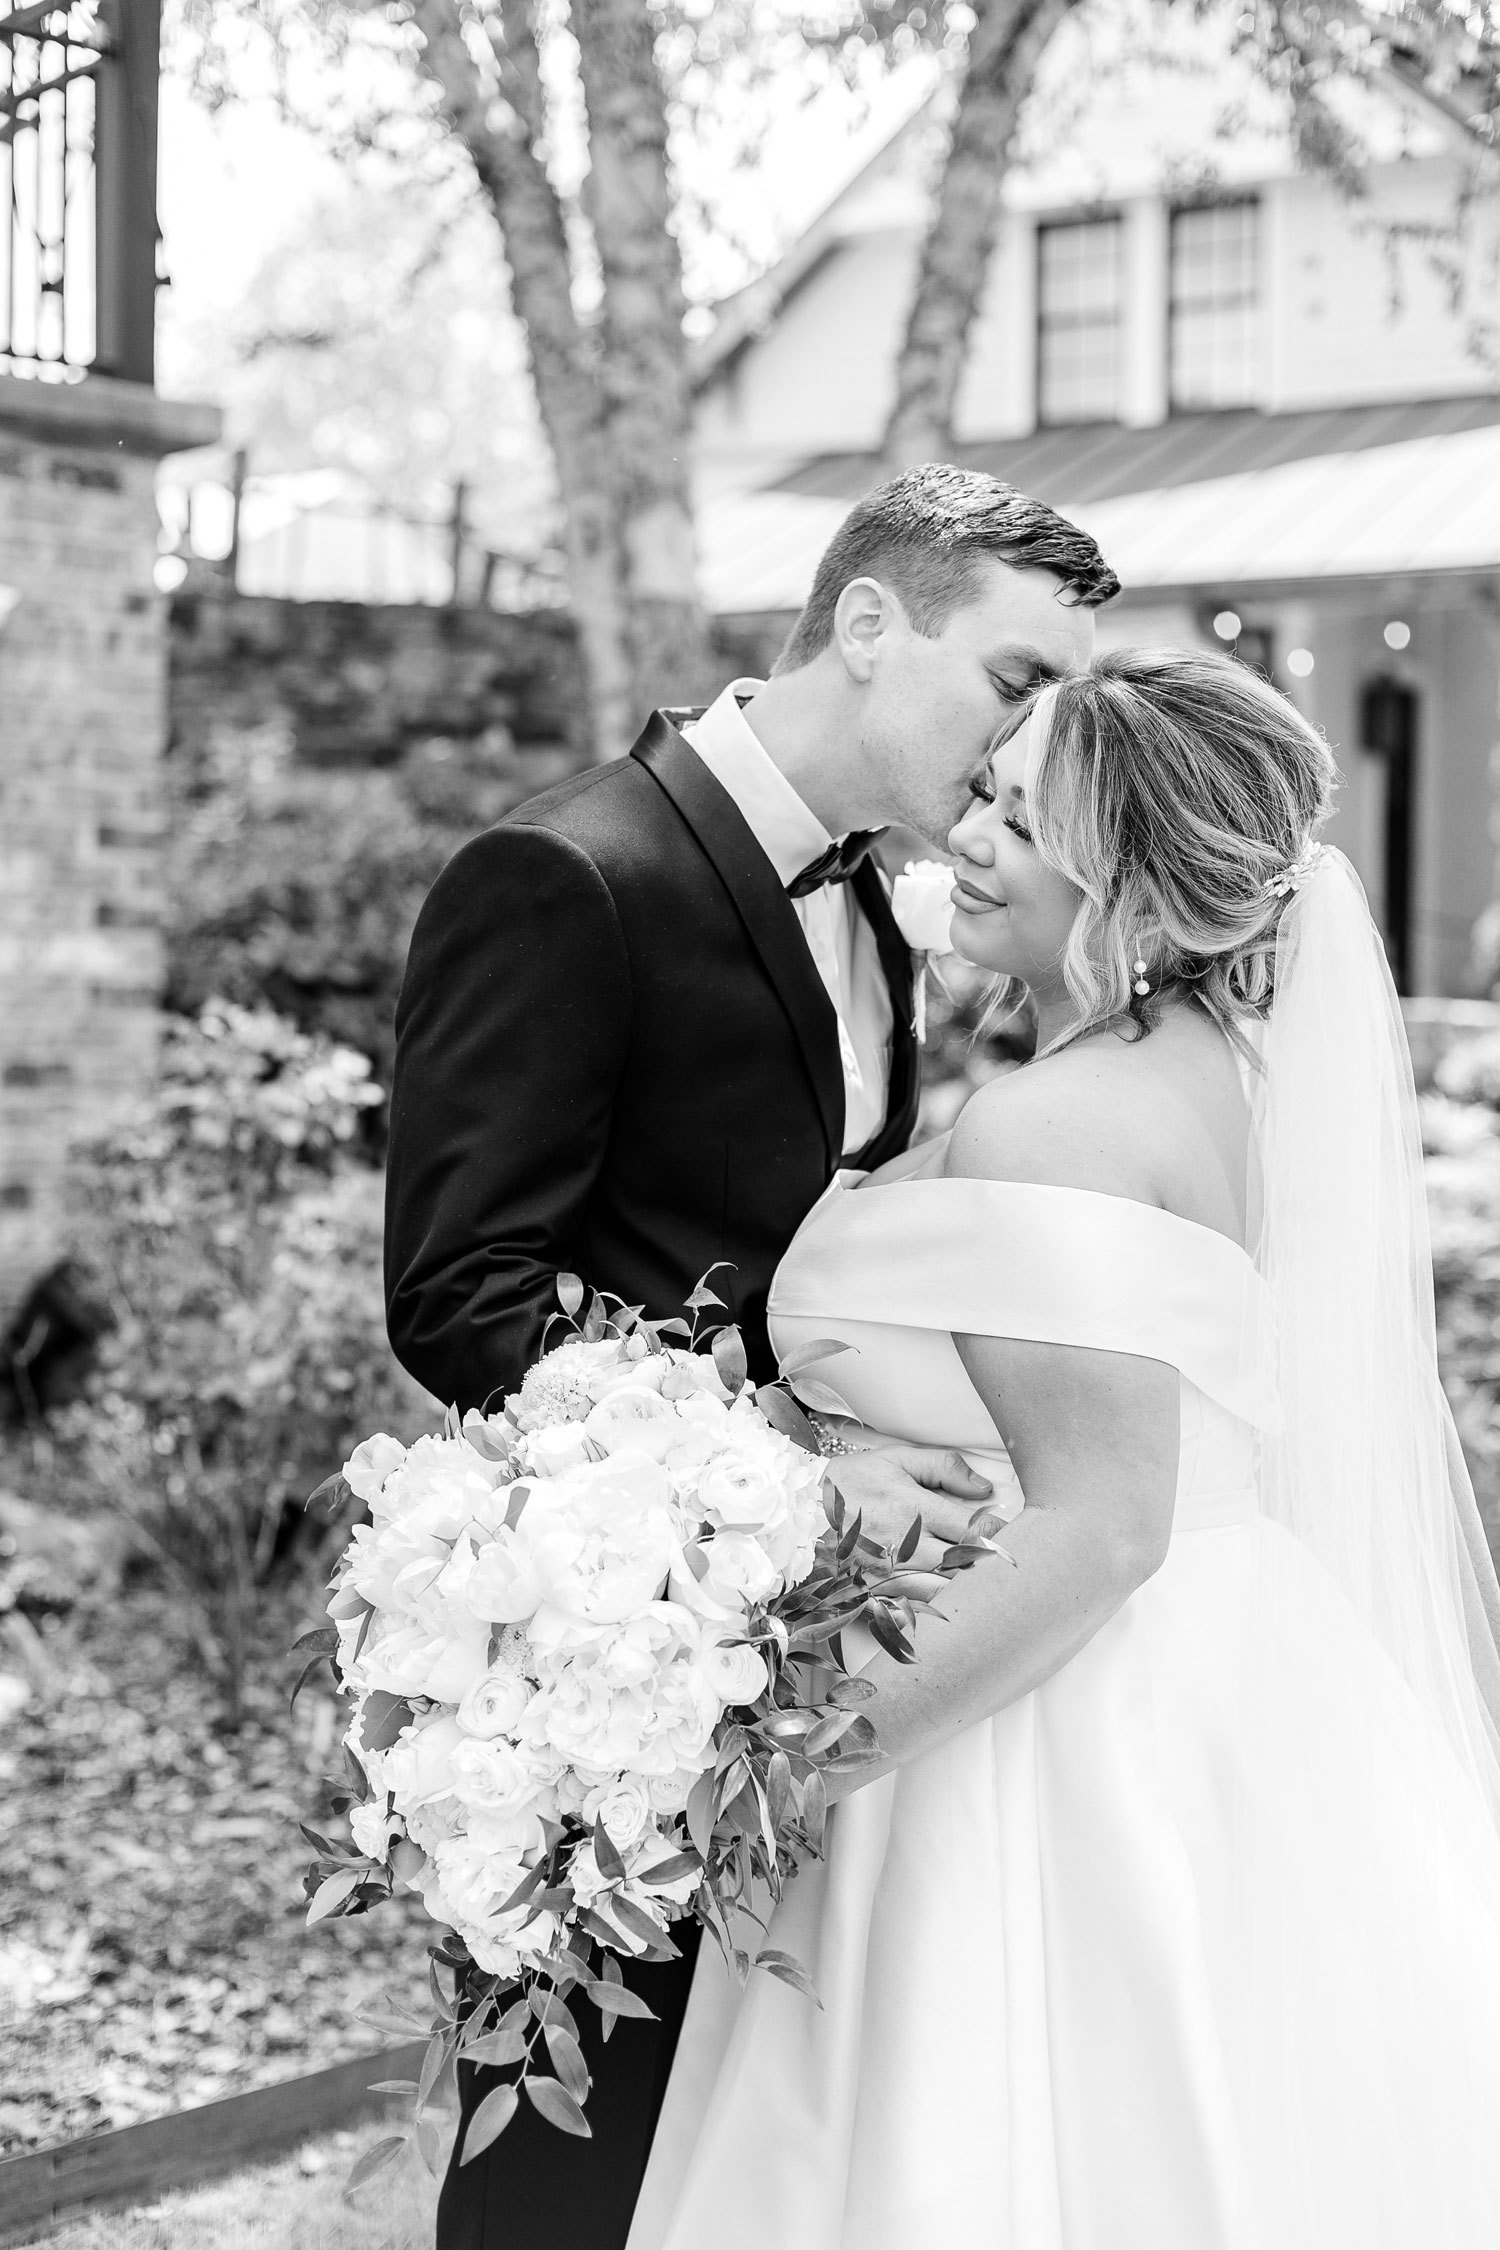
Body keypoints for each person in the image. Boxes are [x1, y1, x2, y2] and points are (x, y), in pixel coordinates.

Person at [628, 648, 1500, 2250]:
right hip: (1224, 1679)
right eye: (988, 794)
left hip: (1039, 1711)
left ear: (1130, 889)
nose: (969, 835)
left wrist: (789, 1763)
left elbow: (1098, 1524)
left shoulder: (1060, 1127)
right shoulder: (1217, 1080)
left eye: (1022, 822)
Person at [381, 464, 1121, 2250]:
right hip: (610, 1657)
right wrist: (794, 1455)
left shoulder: (880, 900)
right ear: (869, 623)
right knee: (564, 2169)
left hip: (818, 1657)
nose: (1040, 744)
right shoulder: (567, 872)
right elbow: (464, 1295)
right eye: (1021, 683)